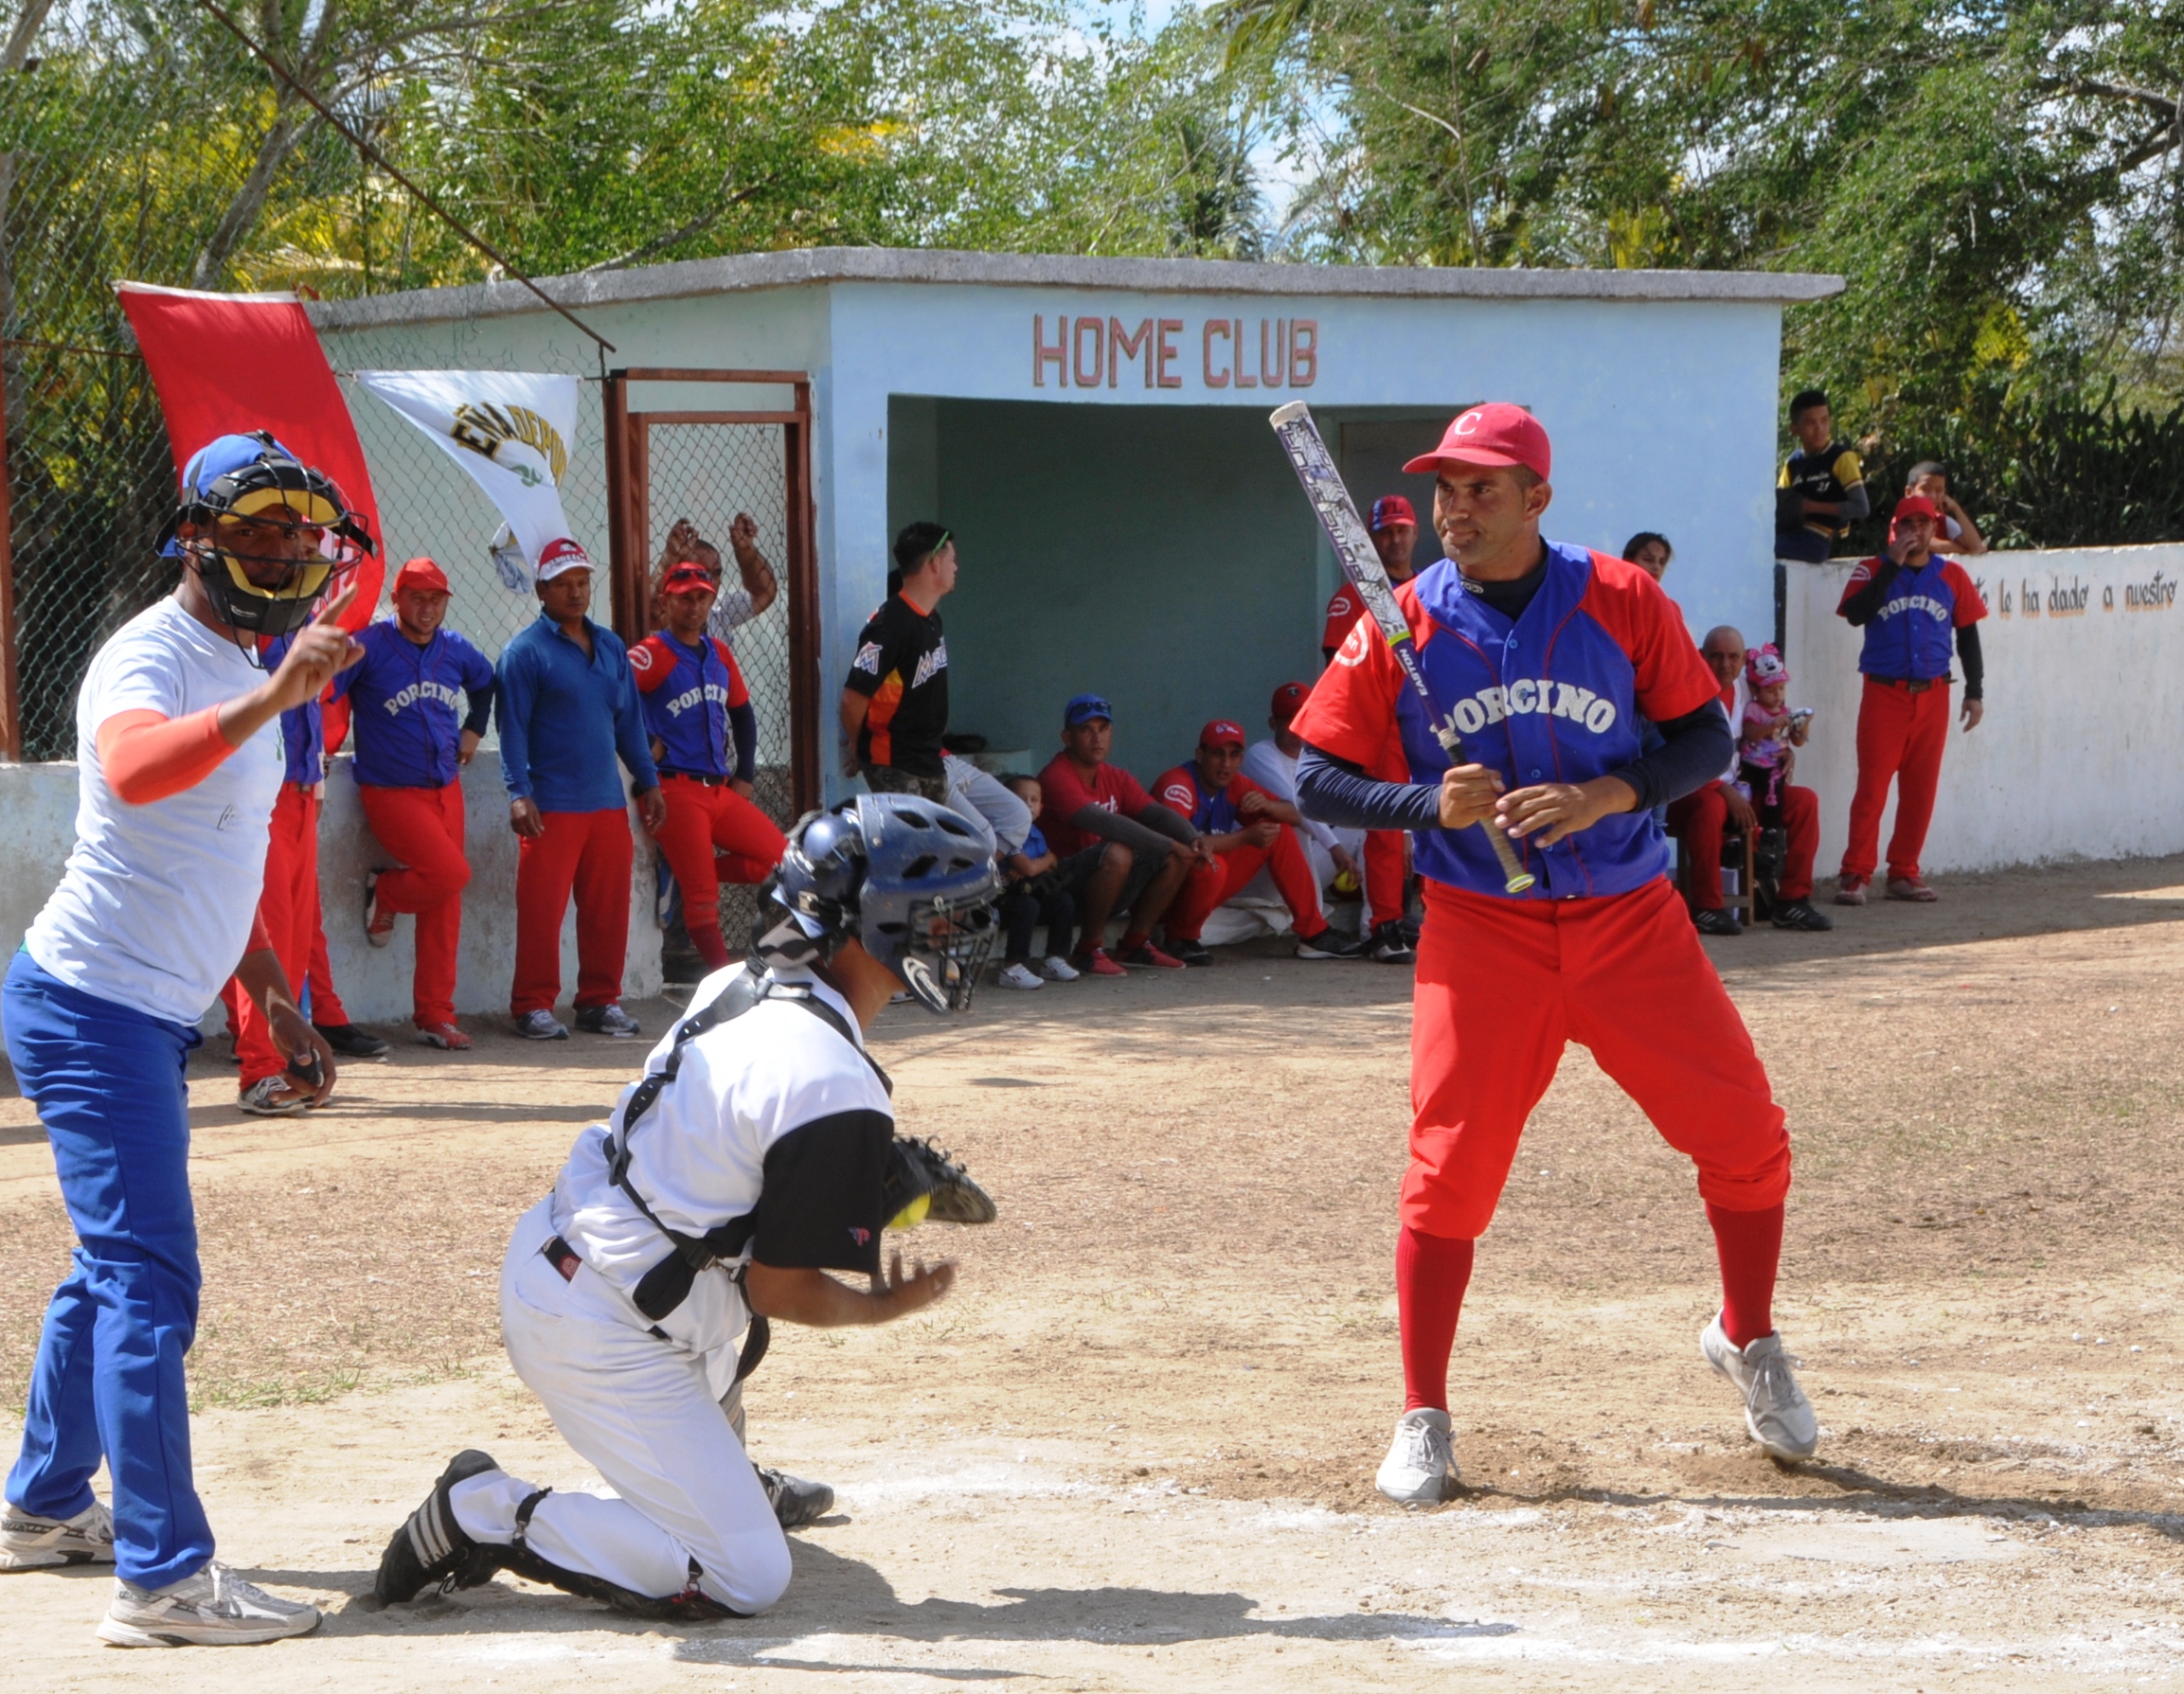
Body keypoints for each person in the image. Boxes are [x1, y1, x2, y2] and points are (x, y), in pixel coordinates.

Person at [1291, 402, 1817, 1507]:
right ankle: (1422, 1411)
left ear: (1536, 499)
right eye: (1444, 488)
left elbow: (1706, 739)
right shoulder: (1402, 621)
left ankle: (1746, 1333)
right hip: (1481, 934)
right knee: (1445, 1177)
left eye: (1481, 488)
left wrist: (1606, 792)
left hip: (1630, 916)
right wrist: (1425, 801)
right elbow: (1319, 778)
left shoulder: (1624, 600)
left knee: (1745, 1137)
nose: (1455, 509)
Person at [370, 796, 999, 1621]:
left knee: (713, 1290)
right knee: (744, 1574)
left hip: (583, 1262)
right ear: (878, 928)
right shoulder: (833, 1080)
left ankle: (721, 1478)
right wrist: (883, 1305)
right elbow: (780, 1288)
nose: (953, 937)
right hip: (604, 1328)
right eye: (939, 919)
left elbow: (719, 1166)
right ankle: (483, 1510)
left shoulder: (741, 983)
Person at [0, 432, 362, 1646]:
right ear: (196, 534)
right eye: (255, 527)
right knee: (150, 1281)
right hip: (93, 1005)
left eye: (294, 533)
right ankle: (160, 1580)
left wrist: (271, 988)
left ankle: (44, 1506)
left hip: (141, 1007)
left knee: (107, 1270)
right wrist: (272, 696)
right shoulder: (154, 654)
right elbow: (136, 769)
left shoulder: (238, 654)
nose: (279, 550)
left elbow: (212, 851)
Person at [497, 538, 667, 1041]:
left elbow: (630, 725)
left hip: (607, 803)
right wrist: (517, 792)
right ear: (541, 589)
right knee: (542, 914)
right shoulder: (523, 653)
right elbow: (511, 731)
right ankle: (531, 1006)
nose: (575, 593)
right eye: (563, 584)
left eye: (582, 582)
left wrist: (649, 781)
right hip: (551, 805)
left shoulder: (612, 646)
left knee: (607, 911)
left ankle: (598, 1001)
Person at [332, 556, 497, 1049]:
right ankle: (386, 893)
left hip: (446, 785)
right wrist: (324, 744)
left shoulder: (455, 649)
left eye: (436, 600)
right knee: (450, 874)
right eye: (417, 598)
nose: (427, 609)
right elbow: (327, 693)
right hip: (390, 790)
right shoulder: (369, 645)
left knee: (446, 902)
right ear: (397, 600)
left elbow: (486, 682)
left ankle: (434, 1015)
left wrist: (474, 728)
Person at [633, 559, 788, 974]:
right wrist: (647, 742)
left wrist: (746, 775)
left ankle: (685, 871)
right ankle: (726, 977)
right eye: (685, 599)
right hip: (674, 790)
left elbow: (743, 714)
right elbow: (612, 698)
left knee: (783, 863)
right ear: (667, 602)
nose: (695, 607)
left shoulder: (718, 652)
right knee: (704, 904)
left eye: (702, 598)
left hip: (718, 789)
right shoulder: (652, 654)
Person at [1834, 492, 1987, 904]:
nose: (1915, 532)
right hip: (1885, 693)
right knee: (1873, 788)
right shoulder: (1871, 570)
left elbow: (1968, 634)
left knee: (1920, 789)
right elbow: (1856, 614)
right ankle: (1855, 873)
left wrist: (1975, 691)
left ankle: (1904, 871)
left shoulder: (1951, 576)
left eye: (1923, 524)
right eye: (1908, 525)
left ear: (1933, 529)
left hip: (1934, 693)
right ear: (1895, 530)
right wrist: (1891, 565)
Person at [219, 631, 340, 1114]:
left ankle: (291, 1064)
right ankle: (258, 1071)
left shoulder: (301, 618)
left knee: (293, 935)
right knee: (264, 933)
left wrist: (318, 783)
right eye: (297, 548)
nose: (302, 557)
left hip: (302, 788)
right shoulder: (247, 624)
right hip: (263, 793)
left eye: (310, 548)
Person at [1154, 719, 1363, 964]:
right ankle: (1180, 937)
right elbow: (1182, 846)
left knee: (1278, 831)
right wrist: (1244, 837)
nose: (1226, 764)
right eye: (1217, 754)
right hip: (1161, 894)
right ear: (1200, 755)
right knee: (1210, 866)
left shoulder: (1234, 784)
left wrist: (1269, 805)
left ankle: (1314, 932)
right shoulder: (1178, 784)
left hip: (1206, 889)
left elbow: (1296, 815)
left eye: (1234, 755)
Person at [1665, 629, 1831, 936]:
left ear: (1744, 662)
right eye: (1716, 655)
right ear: (1701, 656)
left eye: (1733, 657)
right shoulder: (1687, 690)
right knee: (1711, 806)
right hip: (1690, 792)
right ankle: (1707, 908)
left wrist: (1784, 752)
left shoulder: (1745, 691)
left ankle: (1792, 900)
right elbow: (1680, 756)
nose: (1724, 664)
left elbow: (1763, 732)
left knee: (1805, 802)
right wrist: (1724, 790)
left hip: (1740, 788)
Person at [1243, 681, 1413, 962]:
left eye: (1303, 717)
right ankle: (1314, 931)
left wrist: (1404, 832)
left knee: (1367, 826)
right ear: (1273, 723)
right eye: (1288, 720)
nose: (1297, 727)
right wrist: (1336, 849)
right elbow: (1300, 808)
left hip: (1308, 869)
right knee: (1288, 825)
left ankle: (1377, 931)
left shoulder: (1324, 756)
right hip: (1267, 872)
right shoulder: (1260, 755)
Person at [1037, 693, 1202, 973]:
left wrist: (1192, 837)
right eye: (1085, 730)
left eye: (1103, 729)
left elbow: (1156, 813)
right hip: (1058, 885)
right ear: (1067, 737)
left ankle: (1135, 944)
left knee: (1177, 857)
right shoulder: (1056, 775)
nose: (1096, 738)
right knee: (1121, 851)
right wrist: (1171, 844)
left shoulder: (1116, 776)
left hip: (1104, 881)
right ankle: (1087, 950)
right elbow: (1105, 823)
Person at [842, 522, 954, 803]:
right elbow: (853, 699)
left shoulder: (931, 619)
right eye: (953, 560)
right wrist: (857, 744)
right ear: (935, 563)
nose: (956, 567)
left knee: (936, 845)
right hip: (894, 760)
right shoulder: (890, 624)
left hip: (929, 757)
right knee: (909, 844)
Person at [994, 775, 1080, 990]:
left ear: (1042, 806)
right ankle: (1012, 966)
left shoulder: (1035, 833)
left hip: (1027, 891)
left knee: (1063, 900)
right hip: (999, 900)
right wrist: (1044, 860)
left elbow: (1052, 864)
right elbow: (1030, 867)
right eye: (1021, 799)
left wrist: (1044, 861)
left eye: (1034, 800)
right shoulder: (1004, 831)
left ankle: (1054, 959)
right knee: (1027, 905)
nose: (1028, 805)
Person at [1774, 389, 1870, 564]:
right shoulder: (1793, 462)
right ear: (1795, 429)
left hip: (1820, 540)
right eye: (1810, 423)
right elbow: (1781, 501)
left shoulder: (1841, 457)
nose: (1819, 429)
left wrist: (1809, 507)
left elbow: (1861, 507)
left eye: (1824, 421)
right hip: (1793, 534)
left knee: (1765, 550)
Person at [1321, 494, 1419, 664]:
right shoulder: (1353, 596)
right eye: (1386, 533)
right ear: (1370, 538)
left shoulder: (1429, 587)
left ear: (1415, 533)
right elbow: (1338, 668)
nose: (1395, 540)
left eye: (1402, 530)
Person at [1904, 461, 1987, 556]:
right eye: (1926, 489)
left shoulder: (1942, 521)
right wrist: (1965, 550)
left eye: (1939, 490)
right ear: (1909, 492)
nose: (1933, 496)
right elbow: (1932, 544)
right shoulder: (1902, 521)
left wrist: (1956, 509)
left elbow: (1978, 548)